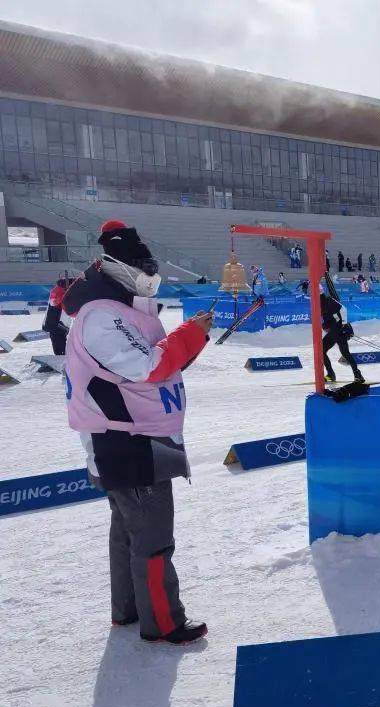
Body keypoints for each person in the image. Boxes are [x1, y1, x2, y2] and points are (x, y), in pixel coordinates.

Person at [61, 219, 210, 644]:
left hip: (134, 436)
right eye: (143, 266)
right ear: (120, 267)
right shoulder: (102, 317)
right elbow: (148, 367)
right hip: (127, 441)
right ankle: (163, 622)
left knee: (129, 531)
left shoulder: (122, 311)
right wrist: (188, 334)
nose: (151, 276)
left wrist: (192, 339)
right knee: (152, 534)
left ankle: (128, 610)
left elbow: (161, 365)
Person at [320, 286, 364, 384]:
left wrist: (344, 324)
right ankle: (331, 375)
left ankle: (358, 376)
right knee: (321, 350)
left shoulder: (328, 301)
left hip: (340, 331)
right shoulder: (318, 303)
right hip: (333, 332)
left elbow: (343, 309)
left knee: (345, 354)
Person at [43, 275, 72, 356]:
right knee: (59, 349)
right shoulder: (57, 290)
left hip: (62, 325)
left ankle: (64, 361)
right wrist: (64, 295)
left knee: (62, 348)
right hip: (55, 324)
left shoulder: (71, 291)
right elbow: (53, 302)